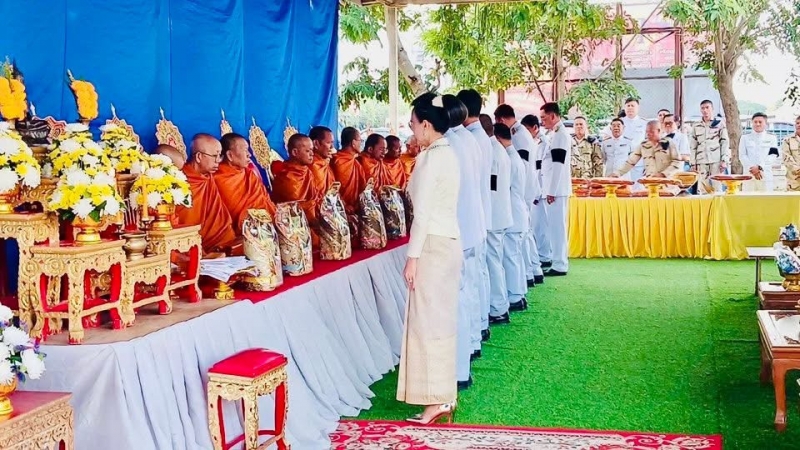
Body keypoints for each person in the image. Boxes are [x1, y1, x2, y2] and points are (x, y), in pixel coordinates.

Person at [398, 92, 462, 425]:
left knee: (428, 323)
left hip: (432, 247)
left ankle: (436, 399)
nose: (411, 129)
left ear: (425, 124)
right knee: (441, 322)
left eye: (412, 124)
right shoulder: (448, 153)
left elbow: (421, 214)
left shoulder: (429, 159)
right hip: (447, 242)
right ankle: (443, 395)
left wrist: (412, 257)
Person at [442, 94, 485, 389]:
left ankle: (458, 368)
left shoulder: (450, 145)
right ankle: (469, 346)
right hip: (471, 226)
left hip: (459, 230)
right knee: (466, 293)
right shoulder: (467, 139)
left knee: (456, 299)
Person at [457, 89, 496, 345]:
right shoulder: (476, 137)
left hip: (474, 214)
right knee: (477, 273)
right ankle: (480, 323)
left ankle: (477, 328)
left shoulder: (470, 139)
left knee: (472, 277)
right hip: (479, 213)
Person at [497, 107, 544, 291]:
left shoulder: (519, 135)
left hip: (522, 189)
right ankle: (531, 271)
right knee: (524, 234)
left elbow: (521, 166)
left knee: (521, 235)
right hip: (523, 188)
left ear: (501, 120)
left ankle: (531, 270)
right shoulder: (520, 132)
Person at [177, 134, 240, 255]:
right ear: (199, 157)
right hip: (191, 247)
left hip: (218, 245)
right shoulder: (181, 181)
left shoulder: (208, 178)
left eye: (219, 156)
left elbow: (219, 222)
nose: (218, 161)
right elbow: (183, 225)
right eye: (214, 156)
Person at [493, 123, 529, 321]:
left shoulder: (509, 159)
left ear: (498, 138)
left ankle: (515, 296)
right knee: (514, 256)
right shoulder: (513, 157)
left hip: (513, 213)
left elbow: (501, 188)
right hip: (516, 212)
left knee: (511, 258)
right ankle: (518, 293)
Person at [214, 133, 277, 233]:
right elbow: (232, 215)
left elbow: (266, 201)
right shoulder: (218, 179)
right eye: (245, 150)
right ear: (230, 155)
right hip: (242, 233)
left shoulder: (249, 174)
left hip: (267, 227)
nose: (249, 154)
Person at [271, 133, 324, 244]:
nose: (312, 154)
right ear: (295, 152)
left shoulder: (307, 172)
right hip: (292, 226)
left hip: (312, 221)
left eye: (312, 150)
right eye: (307, 151)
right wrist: (314, 220)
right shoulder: (286, 177)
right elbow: (293, 208)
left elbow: (316, 198)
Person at [539, 102, 572, 277]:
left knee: (558, 227)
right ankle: (556, 259)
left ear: (553, 116)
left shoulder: (560, 135)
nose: (542, 121)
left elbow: (558, 165)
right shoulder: (553, 134)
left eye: (544, 118)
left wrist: (552, 191)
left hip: (557, 190)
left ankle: (560, 264)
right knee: (553, 227)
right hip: (553, 189)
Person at [519, 113, 552, 272]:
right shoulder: (531, 142)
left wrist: (538, 191)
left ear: (535, 128)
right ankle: (540, 255)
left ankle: (545, 256)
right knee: (535, 226)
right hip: (535, 188)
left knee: (542, 226)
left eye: (527, 129)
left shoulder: (543, 142)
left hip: (541, 189)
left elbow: (540, 169)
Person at [612, 120, 682, 179]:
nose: (648, 134)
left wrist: (663, 174)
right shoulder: (643, 145)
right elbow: (630, 162)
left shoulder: (669, 143)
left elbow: (677, 162)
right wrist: (617, 173)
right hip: (650, 183)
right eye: (647, 132)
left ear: (659, 131)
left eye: (651, 132)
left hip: (668, 182)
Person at [689, 100, 729, 191]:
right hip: (701, 161)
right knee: (702, 188)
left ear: (712, 109)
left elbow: (724, 142)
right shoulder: (696, 126)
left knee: (717, 187)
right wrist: (693, 163)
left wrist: (724, 160)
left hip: (716, 160)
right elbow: (693, 145)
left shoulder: (719, 123)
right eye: (702, 108)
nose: (705, 110)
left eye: (707, 107)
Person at [740, 112, 780, 191]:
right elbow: (742, 156)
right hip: (749, 175)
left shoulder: (772, 138)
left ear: (765, 124)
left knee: (766, 198)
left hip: (765, 175)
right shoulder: (745, 138)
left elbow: (773, 155)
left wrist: (760, 167)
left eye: (760, 122)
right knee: (748, 197)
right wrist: (753, 169)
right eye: (755, 122)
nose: (757, 124)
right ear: (752, 123)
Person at [331, 127, 366, 215]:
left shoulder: (356, 162)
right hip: (338, 210)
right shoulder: (336, 161)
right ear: (353, 143)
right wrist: (343, 204)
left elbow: (362, 187)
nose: (361, 143)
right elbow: (332, 187)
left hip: (355, 209)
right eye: (360, 140)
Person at [309, 126, 336, 193]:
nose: (332, 147)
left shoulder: (325, 163)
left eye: (332, 143)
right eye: (328, 143)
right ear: (316, 143)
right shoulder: (312, 165)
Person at [782, 116, 800, 191]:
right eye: (797, 123)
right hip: (794, 180)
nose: (799, 125)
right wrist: (798, 170)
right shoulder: (787, 140)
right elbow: (786, 158)